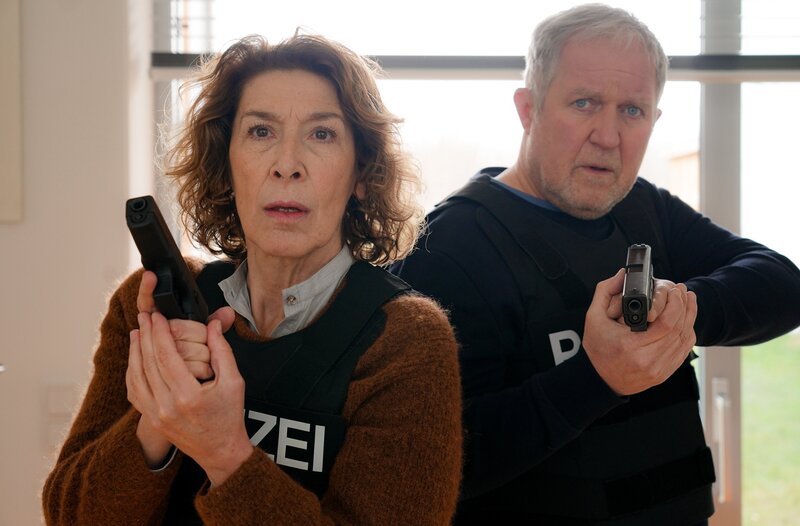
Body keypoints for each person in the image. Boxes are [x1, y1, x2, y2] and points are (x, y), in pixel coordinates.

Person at [391, 4, 800, 525]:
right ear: (528, 108)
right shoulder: (449, 248)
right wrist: (597, 377)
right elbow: (428, 462)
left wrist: (674, 312)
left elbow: (782, 285)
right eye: (584, 103)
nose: (609, 136)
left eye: (632, 110)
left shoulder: (640, 207)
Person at [43, 34, 462, 525]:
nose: (287, 165)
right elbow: (70, 516)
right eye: (261, 132)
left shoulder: (405, 340)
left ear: (362, 174)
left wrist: (224, 452)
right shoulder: (151, 304)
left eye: (322, 134)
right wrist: (156, 419)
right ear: (224, 167)